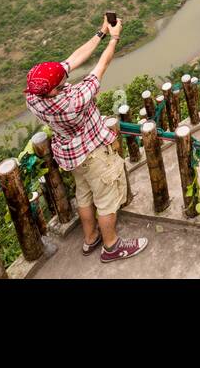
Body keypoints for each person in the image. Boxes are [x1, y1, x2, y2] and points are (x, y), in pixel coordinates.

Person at [24, 13, 148, 263]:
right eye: (62, 79)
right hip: (94, 153)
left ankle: (90, 238)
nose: (66, 73)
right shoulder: (74, 99)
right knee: (106, 199)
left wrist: (100, 33)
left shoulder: (34, 97)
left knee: (84, 195)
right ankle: (112, 246)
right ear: (56, 88)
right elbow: (100, 66)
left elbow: (72, 59)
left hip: (71, 155)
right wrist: (114, 39)